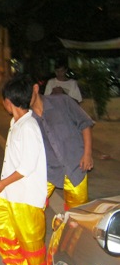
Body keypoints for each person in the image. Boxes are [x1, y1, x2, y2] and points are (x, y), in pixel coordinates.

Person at [0, 74, 47, 265]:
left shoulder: (29, 127)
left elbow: (28, 166)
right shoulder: (16, 122)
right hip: (10, 193)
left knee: (30, 240)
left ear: (8, 102)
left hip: (26, 196)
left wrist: (1, 183)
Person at [32, 78, 94, 211]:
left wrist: (87, 154)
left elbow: (85, 124)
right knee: (32, 208)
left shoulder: (62, 101)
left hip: (76, 165)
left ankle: (67, 231)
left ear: (35, 88)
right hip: (47, 170)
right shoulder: (27, 118)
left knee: (77, 214)